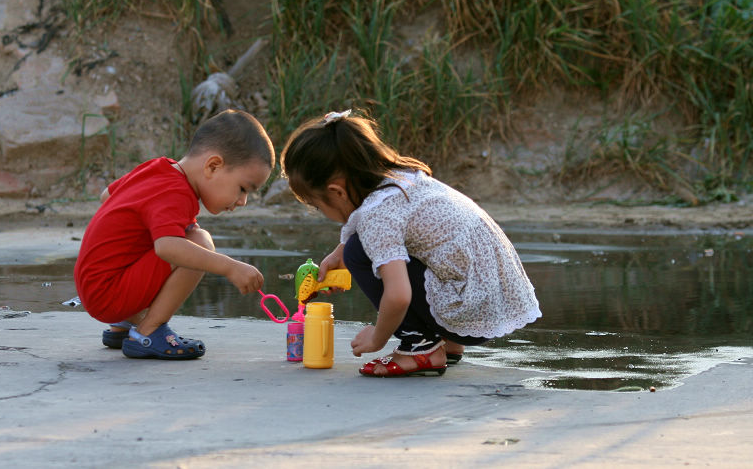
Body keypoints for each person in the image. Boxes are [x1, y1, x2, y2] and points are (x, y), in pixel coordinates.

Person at [280, 109, 541, 377]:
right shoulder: (401, 179)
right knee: (357, 247)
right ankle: (448, 342)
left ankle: (419, 346)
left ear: (336, 191)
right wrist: (339, 252)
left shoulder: (376, 217)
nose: (321, 212)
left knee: (359, 251)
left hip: (471, 311)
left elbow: (399, 295)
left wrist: (377, 338)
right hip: (493, 301)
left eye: (317, 205)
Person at [74, 109, 274, 360]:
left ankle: (124, 324)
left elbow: (108, 196)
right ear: (213, 166)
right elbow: (167, 248)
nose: (243, 201)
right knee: (199, 242)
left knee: (183, 237)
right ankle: (149, 331)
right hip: (108, 294)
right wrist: (229, 267)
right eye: (243, 189)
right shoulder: (176, 193)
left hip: (94, 286)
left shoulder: (159, 168)